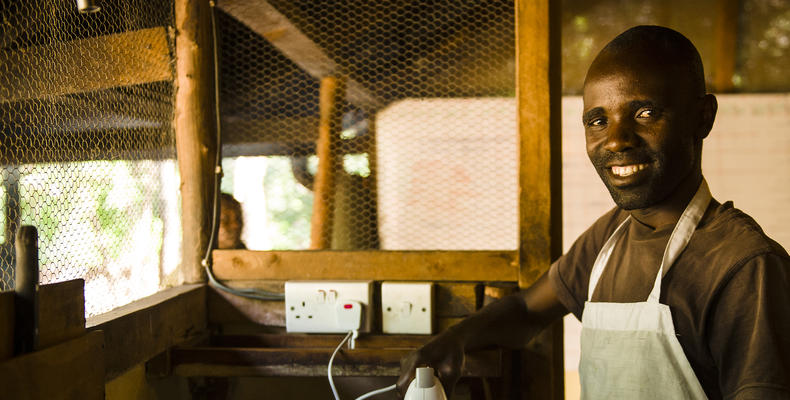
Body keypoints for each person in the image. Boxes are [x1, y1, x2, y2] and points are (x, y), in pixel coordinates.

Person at [398, 26, 790, 399]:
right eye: (598, 121)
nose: (617, 140)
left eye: (646, 113)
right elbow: (525, 310)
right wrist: (453, 340)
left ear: (703, 117)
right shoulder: (610, 237)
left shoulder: (744, 266)